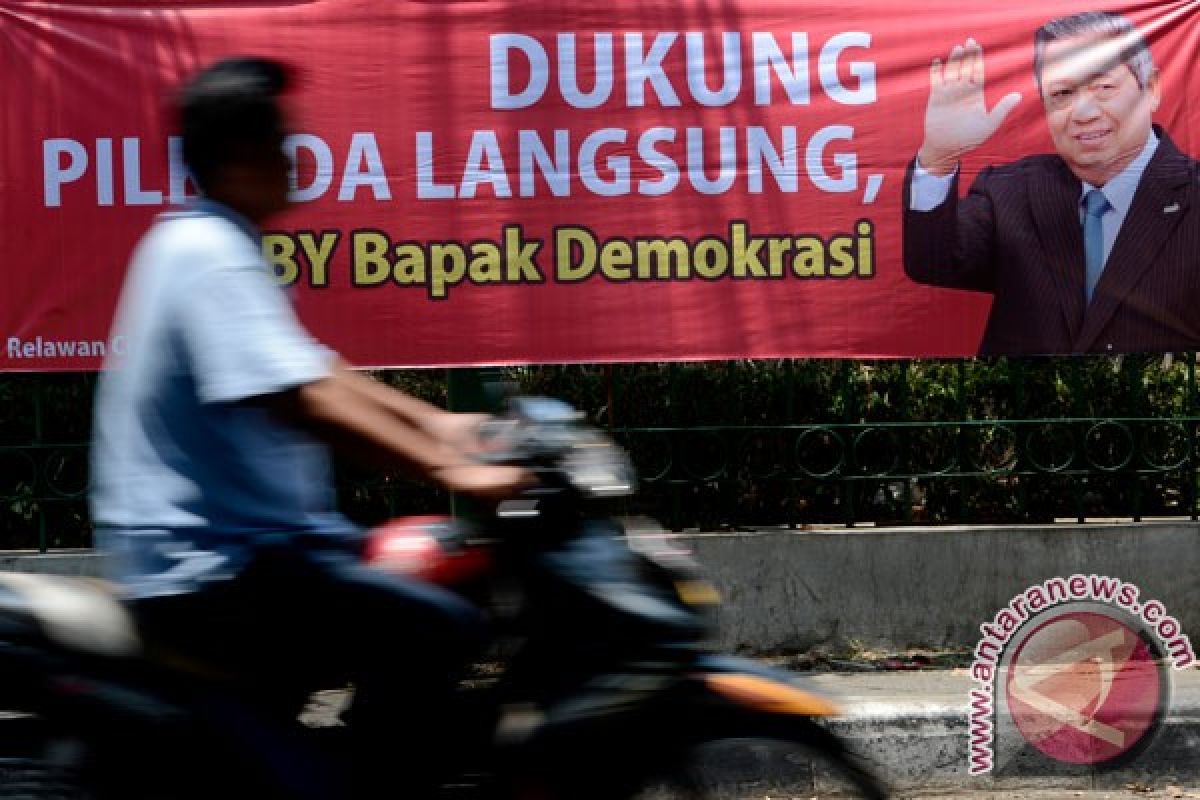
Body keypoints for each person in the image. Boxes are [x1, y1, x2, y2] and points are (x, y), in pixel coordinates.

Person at [88, 57, 528, 797]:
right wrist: (453, 471)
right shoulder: (210, 256)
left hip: (245, 553)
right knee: (442, 625)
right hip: (217, 571)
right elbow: (303, 402)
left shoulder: (212, 242)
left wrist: (442, 423)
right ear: (237, 155)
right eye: (282, 142)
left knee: (438, 561)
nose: (297, 157)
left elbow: (318, 371)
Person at [903, 11, 1200, 355]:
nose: (1083, 112)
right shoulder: (1011, 193)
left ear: (1150, 89)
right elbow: (932, 263)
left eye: (1103, 87)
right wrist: (939, 156)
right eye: (1062, 94)